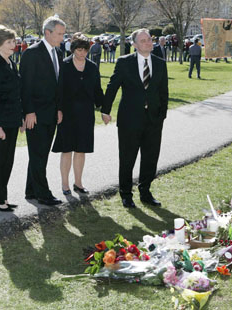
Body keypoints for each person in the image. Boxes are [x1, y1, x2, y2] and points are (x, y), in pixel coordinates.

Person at [101, 28, 168, 209]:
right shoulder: (124, 62)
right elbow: (113, 85)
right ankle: (126, 194)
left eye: (149, 40)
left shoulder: (160, 63)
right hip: (129, 120)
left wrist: (162, 116)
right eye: (144, 40)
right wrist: (105, 110)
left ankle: (145, 192)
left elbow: (164, 93)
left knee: (150, 158)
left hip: (153, 121)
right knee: (127, 158)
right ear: (135, 44)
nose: (148, 43)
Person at [20, 16, 66, 206]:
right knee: (38, 154)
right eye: (59, 34)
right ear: (47, 32)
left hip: (51, 113)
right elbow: (25, 86)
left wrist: (59, 109)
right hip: (35, 114)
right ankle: (43, 194)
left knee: (40, 154)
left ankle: (31, 190)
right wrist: (29, 112)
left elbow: (58, 85)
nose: (63, 38)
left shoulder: (58, 53)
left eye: (63, 34)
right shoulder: (32, 53)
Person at [52, 33, 104, 195]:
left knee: (81, 150)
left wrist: (104, 109)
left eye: (85, 50)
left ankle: (79, 183)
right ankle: (65, 184)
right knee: (66, 149)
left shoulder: (92, 67)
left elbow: (97, 90)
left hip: (86, 114)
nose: (82, 53)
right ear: (73, 49)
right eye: (79, 50)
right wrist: (58, 110)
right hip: (67, 114)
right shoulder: (64, 65)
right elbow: (58, 91)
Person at [0, 25, 23, 212]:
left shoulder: (11, 63)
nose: (13, 45)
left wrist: (20, 118)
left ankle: (3, 198)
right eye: (9, 42)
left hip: (12, 122)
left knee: (8, 162)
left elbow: (16, 95)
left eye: (14, 42)